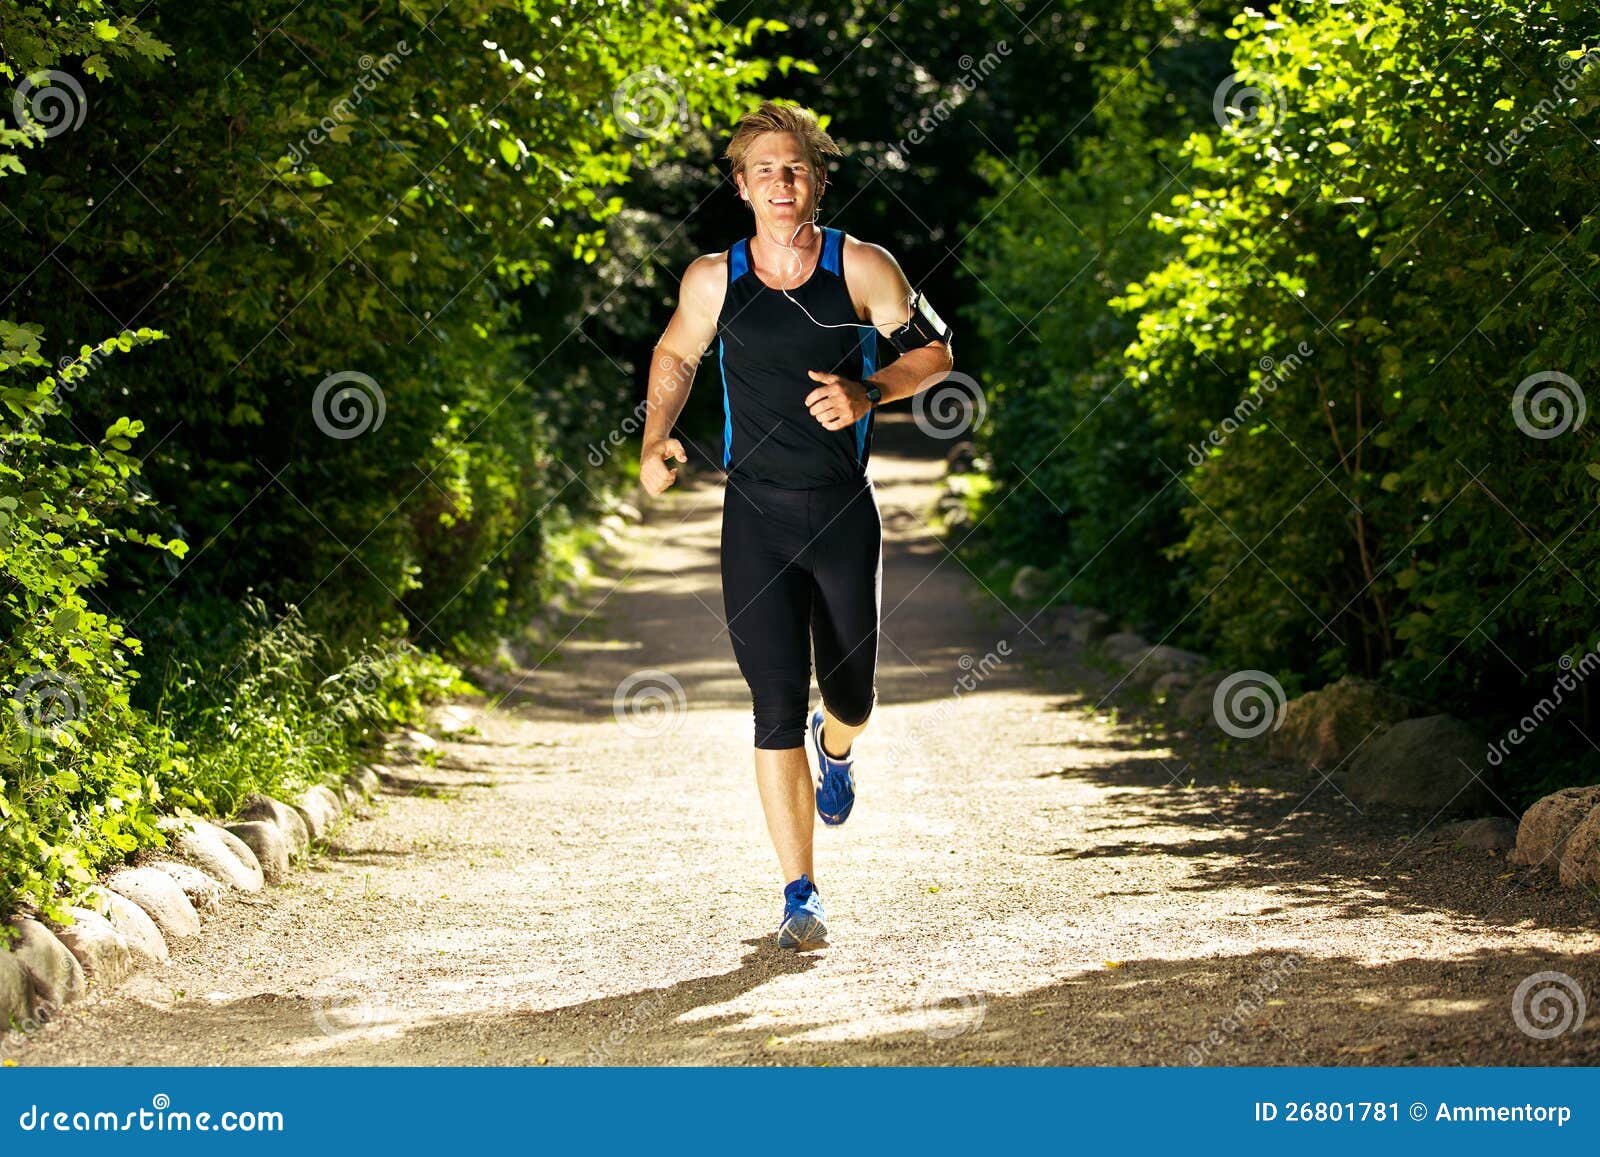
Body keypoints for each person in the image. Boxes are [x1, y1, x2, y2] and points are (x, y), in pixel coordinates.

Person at [639, 101, 955, 948]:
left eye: (797, 168)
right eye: (766, 170)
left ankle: (839, 747)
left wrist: (870, 392)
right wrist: (655, 438)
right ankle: (800, 893)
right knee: (772, 703)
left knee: (853, 694)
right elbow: (675, 354)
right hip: (755, 516)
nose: (783, 183)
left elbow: (935, 353)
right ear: (741, 187)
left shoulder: (863, 266)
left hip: (842, 512)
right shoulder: (715, 278)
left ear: (818, 179)